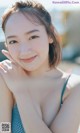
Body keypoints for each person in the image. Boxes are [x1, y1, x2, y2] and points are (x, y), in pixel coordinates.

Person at [0, 0, 80, 133]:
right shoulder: (5, 76)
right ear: (7, 45)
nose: (24, 50)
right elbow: (3, 129)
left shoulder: (73, 87)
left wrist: (21, 92)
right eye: (13, 41)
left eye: (33, 37)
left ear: (50, 35)